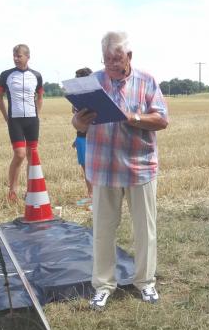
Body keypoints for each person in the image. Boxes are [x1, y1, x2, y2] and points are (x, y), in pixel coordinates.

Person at [72, 31, 169, 310]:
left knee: (145, 229)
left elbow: (162, 120)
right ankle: (103, 285)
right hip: (103, 168)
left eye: (117, 58)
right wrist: (79, 122)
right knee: (102, 231)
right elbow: (77, 123)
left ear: (129, 56)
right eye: (106, 59)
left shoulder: (147, 81)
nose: (112, 64)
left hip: (140, 166)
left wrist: (133, 117)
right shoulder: (92, 84)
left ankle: (145, 282)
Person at [0, 44, 44, 202]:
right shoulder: (6, 75)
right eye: (14, 56)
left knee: (32, 155)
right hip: (15, 120)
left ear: (28, 57)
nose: (16, 59)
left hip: (32, 120)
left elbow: (40, 97)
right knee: (20, 154)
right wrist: (6, 116)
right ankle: (12, 191)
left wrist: (37, 115)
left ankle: (30, 191)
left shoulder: (36, 75)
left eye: (19, 56)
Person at [72, 67, 93, 205]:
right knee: (85, 167)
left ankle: (96, 198)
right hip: (81, 138)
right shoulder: (76, 98)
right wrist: (76, 138)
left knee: (92, 168)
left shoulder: (95, 97)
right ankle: (91, 195)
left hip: (92, 138)